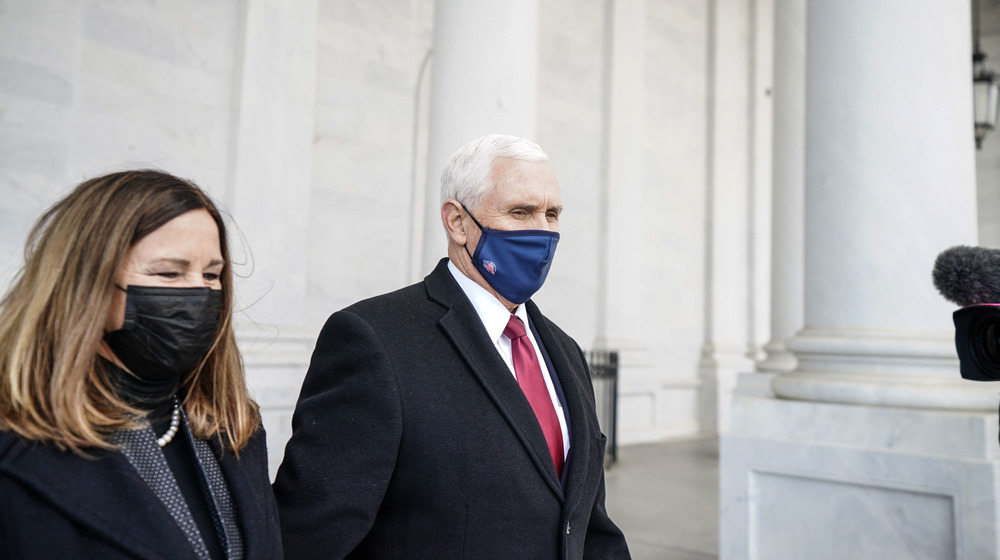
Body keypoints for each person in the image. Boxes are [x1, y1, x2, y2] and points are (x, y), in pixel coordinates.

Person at [273, 134, 631, 559]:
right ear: (457, 222)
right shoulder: (374, 340)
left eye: (552, 214)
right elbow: (309, 536)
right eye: (520, 211)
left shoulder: (565, 351)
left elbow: (589, 524)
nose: (543, 231)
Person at [0, 170, 282, 559]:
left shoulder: (233, 430)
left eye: (212, 275)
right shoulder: (19, 449)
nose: (199, 293)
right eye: (169, 273)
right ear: (87, 283)